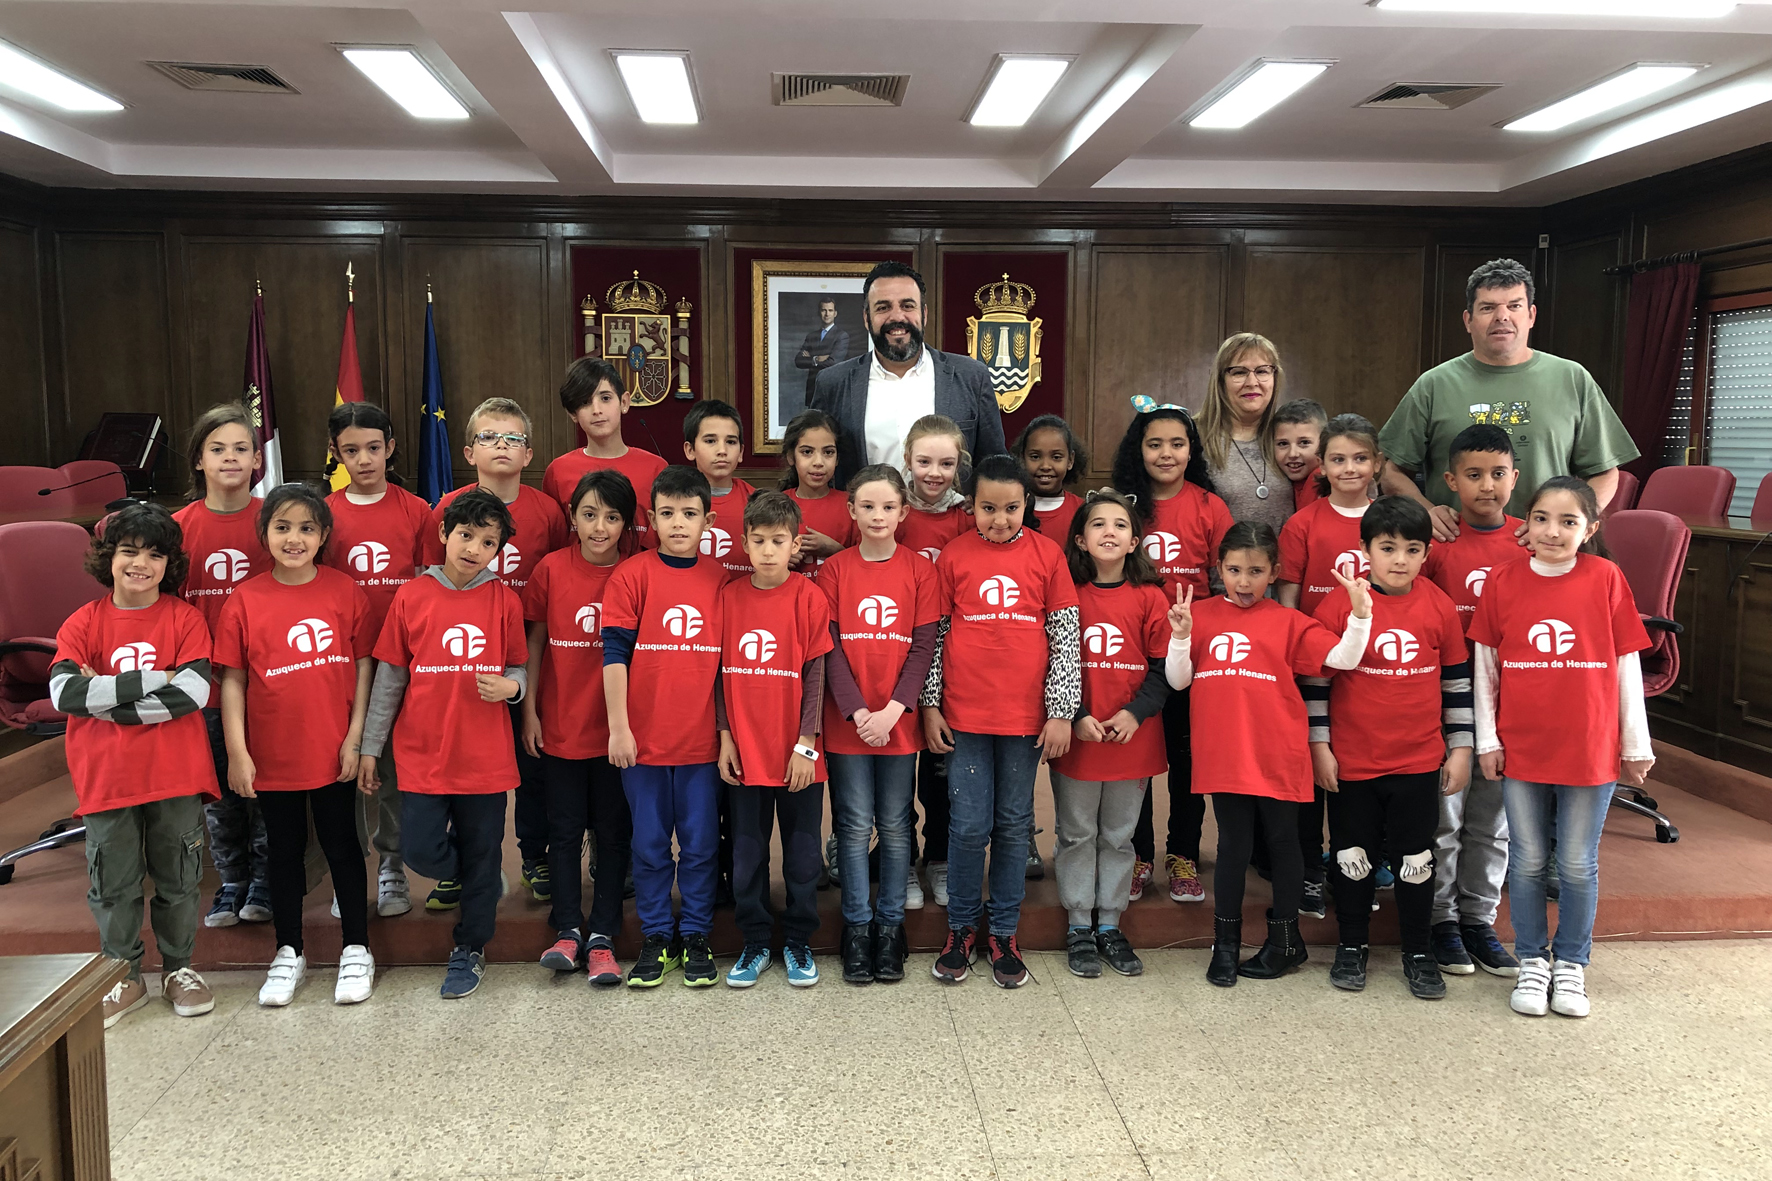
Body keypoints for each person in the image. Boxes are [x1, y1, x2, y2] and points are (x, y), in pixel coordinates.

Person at [1471, 476, 1652, 1019]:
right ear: (1526, 524)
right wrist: (1487, 739)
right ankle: (1532, 958)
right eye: (1542, 519)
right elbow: (1486, 667)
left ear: (1589, 530)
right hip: (1523, 744)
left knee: (1576, 863)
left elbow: (1625, 664)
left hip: (1590, 745)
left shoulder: (1606, 578)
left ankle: (1571, 964)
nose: (1552, 531)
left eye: (1568, 521)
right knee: (1526, 861)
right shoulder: (1503, 580)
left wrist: (1635, 743)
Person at [1166, 522, 1372, 986]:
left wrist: (1360, 616)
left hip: (1278, 750)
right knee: (1233, 846)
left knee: (1283, 843)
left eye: (1256, 571)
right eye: (1234, 570)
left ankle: (1284, 942)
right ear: (1219, 568)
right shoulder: (1198, 615)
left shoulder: (1289, 621)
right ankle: (1226, 944)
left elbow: (1342, 658)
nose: (1244, 581)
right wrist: (1180, 637)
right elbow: (1178, 681)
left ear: (1275, 572)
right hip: (1224, 752)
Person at [51, 502, 218, 1027]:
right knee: (113, 884)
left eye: (155, 555)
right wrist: (158, 678)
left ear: (170, 564)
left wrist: (103, 696)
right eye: (129, 551)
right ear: (108, 557)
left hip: (176, 772)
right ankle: (123, 974)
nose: (141, 564)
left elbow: (191, 694)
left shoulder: (185, 619)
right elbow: (64, 694)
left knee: (179, 880)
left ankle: (178, 969)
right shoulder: (83, 622)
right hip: (107, 777)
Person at [360, 489, 529, 1000]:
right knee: (420, 848)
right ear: (443, 534)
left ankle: (470, 947)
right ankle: (481, 878)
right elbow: (390, 679)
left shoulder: (505, 600)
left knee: (482, 848)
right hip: (421, 755)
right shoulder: (411, 596)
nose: (474, 548)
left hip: (484, 758)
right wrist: (370, 747)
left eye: (488, 542)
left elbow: (519, 667)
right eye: (466, 535)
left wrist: (512, 687)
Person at [921, 454, 1081, 989]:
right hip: (965, 716)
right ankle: (961, 928)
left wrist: (1061, 712)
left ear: (1026, 504)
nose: (999, 519)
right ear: (971, 506)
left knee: (1013, 824)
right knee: (968, 827)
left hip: (1024, 720)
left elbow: (1064, 636)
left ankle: (1005, 932)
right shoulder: (954, 556)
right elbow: (936, 635)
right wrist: (930, 704)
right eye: (988, 508)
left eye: (1011, 508)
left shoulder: (1047, 555)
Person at [215, 484, 377, 1007]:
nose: (294, 538)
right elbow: (233, 680)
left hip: (333, 749)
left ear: (323, 535)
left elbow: (364, 667)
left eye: (307, 528)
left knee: (342, 845)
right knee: (282, 851)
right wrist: (239, 753)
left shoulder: (345, 591)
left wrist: (355, 737)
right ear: (264, 533)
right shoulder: (244, 600)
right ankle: (288, 950)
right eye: (282, 527)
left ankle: (357, 947)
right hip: (272, 753)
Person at [1306, 496, 1471, 1001]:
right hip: (1353, 761)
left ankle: (1418, 951)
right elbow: (1317, 682)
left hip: (1418, 761)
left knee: (1416, 859)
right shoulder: (1339, 606)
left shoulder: (1439, 605)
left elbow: (1456, 683)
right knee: (1352, 856)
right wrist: (1320, 745)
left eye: (1412, 550)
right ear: (1365, 550)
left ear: (1426, 554)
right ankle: (1351, 944)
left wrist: (1461, 748)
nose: (1400, 560)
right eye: (1388, 548)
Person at [422, 398, 569, 908]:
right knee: (462, 768)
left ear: (529, 453)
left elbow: (560, 578)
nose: (500, 445)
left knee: (532, 760)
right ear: (469, 452)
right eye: (488, 437)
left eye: (512, 438)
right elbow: (431, 582)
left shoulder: (547, 511)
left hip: (529, 656)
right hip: (462, 661)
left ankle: (534, 856)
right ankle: (459, 864)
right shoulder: (446, 508)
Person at [1378, 258, 1639, 540]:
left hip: (1545, 548)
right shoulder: (1433, 384)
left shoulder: (1572, 379)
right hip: (1455, 547)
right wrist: (1425, 513)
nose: (1502, 316)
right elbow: (1392, 472)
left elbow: (1605, 473)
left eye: (1514, 306)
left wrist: (1577, 520)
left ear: (1531, 315)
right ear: (1468, 320)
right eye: (1487, 308)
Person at [600, 465, 728, 989]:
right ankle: (657, 935)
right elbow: (614, 655)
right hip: (643, 742)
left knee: (700, 844)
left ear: (708, 521)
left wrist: (726, 736)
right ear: (651, 519)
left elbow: (729, 670)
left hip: (701, 744)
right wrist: (619, 728)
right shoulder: (632, 575)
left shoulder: (722, 580)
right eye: (668, 513)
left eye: (689, 513)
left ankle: (695, 933)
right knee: (649, 844)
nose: (678, 523)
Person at [818, 465, 940, 984]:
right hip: (849, 722)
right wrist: (858, 711)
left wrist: (894, 710)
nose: (877, 515)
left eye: (888, 507)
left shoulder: (920, 571)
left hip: (897, 723)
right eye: (867, 506)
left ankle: (890, 926)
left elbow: (923, 646)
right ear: (851, 510)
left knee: (893, 824)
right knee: (852, 826)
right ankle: (857, 926)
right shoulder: (834, 571)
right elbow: (828, 647)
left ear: (903, 512)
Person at [1111, 399, 1232, 906]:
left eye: (1177, 444)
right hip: (1133, 651)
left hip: (1189, 651)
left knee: (1187, 756)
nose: (1166, 454)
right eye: (1154, 444)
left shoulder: (1210, 506)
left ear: (1191, 450)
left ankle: (1182, 852)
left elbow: (1225, 583)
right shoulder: (1123, 505)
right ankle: (1138, 854)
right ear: (1138, 450)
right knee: (1138, 754)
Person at [1420, 425, 1528, 977]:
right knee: (1446, 815)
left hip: (1510, 700)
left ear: (1514, 478)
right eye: (1474, 475)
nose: (1487, 486)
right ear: (1451, 480)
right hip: (1448, 697)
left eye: (1498, 474)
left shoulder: (1529, 540)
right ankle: (1440, 919)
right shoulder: (1438, 543)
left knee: (1492, 818)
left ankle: (1478, 919)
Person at [1051, 490, 1170, 979]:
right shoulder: (1066, 594)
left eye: (1120, 525)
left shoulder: (1150, 597)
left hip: (1130, 738)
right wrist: (1075, 713)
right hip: (1079, 737)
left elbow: (1164, 669)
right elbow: (1052, 660)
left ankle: (1109, 923)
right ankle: (1079, 923)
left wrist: (1135, 713)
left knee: (1119, 837)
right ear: (1080, 539)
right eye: (1098, 524)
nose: (1109, 532)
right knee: (1077, 832)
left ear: (1134, 541)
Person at [717, 492, 834, 989]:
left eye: (778, 541)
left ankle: (799, 939)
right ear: (744, 543)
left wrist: (806, 744)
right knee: (747, 854)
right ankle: (756, 940)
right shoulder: (728, 597)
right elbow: (718, 675)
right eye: (759, 540)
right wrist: (725, 737)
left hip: (797, 754)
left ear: (794, 545)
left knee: (803, 854)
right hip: (745, 749)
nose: (768, 550)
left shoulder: (809, 597)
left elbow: (816, 676)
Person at [526, 470, 634, 988]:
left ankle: (604, 935)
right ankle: (567, 929)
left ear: (627, 524)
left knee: (613, 834)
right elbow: (535, 641)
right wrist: (529, 710)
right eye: (589, 515)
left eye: (612, 517)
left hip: (617, 732)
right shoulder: (550, 568)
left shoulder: (636, 573)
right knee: (564, 832)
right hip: (561, 725)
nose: (599, 527)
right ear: (572, 517)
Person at [325, 401, 431, 918]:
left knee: (386, 770)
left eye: (373, 448)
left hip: (398, 664)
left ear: (390, 448)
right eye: (351, 451)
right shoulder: (324, 513)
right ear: (336, 453)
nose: (364, 460)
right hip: (337, 661)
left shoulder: (417, 511)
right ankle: (348, 872)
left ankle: (392, 865)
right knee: (340, 769)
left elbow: (431, 585)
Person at [1277, 412, 1384, 918]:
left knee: (1356, 771)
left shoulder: (1388, 519)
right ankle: (1307, 872)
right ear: (1322, 464)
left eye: (1360, 458)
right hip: (1317, 663)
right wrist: (1303, 654)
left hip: (1376, 665)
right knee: (1310, 767)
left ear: (1377, 463)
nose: (1349, 468)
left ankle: (1353, 867)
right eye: (1338, 459)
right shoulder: (1303, 523)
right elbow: (1289, 598)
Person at [175, 403, 272, 930]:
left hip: (271, 682)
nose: (230, 458)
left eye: (241, 448)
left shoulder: (276, 520)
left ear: (258, 459)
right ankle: (231, 881)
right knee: (220, 792)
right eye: (218, 449)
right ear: (199, 459)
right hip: (205, 687)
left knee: (268, 788)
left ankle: (267, 880)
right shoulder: (177, 529)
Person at [811, 261, 1006, 491]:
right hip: (861, 514)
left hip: (950, 514)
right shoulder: (833, 383)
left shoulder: (972, 377)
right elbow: (816, 459)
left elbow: (995, 465)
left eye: (907, 305)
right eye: (883, 307)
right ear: (866, 318)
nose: (897, 317)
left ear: (924, 314)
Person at [884, 414, 972, 909]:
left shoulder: (966, 516)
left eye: (946, 463)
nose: (934, 473)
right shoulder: (893, 511)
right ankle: (901, 859)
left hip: (950, 661)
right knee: (898, 773)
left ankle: (939, 856)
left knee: (941, 772)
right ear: (907, 461)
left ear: (959, 465)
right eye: (924, 462)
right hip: (897, 657)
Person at [542, 357, 670, 550]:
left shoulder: (656, 468)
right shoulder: (558, 471)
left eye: (605, 398)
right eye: (585, 402)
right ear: (573, 414)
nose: (597, 410)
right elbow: (556, 537)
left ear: (624, 402)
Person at [1196, 333, 1292, 531]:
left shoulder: (1290, 437)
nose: (1252, 382)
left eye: (1262, 371)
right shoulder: (1193, 437)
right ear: (1220, 381)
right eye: (1239, 372)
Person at [683, 399, 759, 583]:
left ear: (741, 452)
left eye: (731, 442)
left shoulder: (758, 503)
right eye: (710, 441)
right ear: (690, 449)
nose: (722, 450)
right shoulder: (673, 502)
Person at [778, 408, 854, 574]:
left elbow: (866, 566)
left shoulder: (852, 507)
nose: (818, 462)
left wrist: (835, 550)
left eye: (828, 452)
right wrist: (779, 559)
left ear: (837, 458)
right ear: (791, 456)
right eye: (807, 452)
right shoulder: (776, 505)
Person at [1014, 414, 1087, 535]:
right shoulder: (1010, 508)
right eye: (1035, 457)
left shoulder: (1082, 511)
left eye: (1056, 457)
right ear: (1022, 458)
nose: (1045, 466)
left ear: (1070, 460)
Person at [793, 296, 850, 405]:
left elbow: (833, 363)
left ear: (835, 313)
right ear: (819, 312)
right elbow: (798, 361)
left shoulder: (842, 336)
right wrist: (816, 359)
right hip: (813, 390)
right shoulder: (811, 336)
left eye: (830, 310)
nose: (827, 314)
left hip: (832, 389)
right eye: (824, 310)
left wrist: (810, 359)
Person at [1273, 399, 1327, 512]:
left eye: (1304, 443)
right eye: (1283, 444)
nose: (1293, 454)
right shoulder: (1287, 482)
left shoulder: (1322, 481)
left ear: (1324, 443)